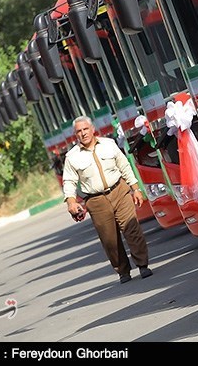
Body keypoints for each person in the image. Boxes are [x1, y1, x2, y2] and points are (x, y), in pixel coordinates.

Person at [62, 115, 153, 285]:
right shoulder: (72, 157)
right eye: (79, 131)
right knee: (109, 239)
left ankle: (143, 265)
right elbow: (69, 181)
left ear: (92, 129)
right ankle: (122, 270)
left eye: (85, 129)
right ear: (76, 135)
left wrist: (135, 188)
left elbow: (124, 166)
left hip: (120, 191)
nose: (83, 133)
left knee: (132, 228)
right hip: (96, 201)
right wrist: (71, 202)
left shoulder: (108, 145)